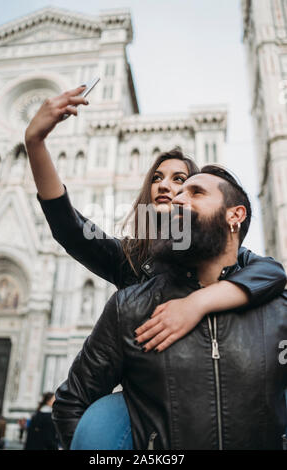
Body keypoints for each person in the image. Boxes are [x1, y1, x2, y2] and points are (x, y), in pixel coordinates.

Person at [24, 86, 286, 356]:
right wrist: (35, 142)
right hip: (149, 388)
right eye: (157, 178)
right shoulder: (129, 258)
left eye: (179, 180)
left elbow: (272, 273)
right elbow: (69, 228)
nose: (164, 186)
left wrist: (197, 303)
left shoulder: (216, 255)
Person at [52, 165, 287, 450]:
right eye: (177, 190)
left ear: (234, 215)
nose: (176, 197)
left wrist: (200, 302)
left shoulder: (277, 310)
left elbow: (273, 270)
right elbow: (71, 403)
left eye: (195, 192)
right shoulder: (131, 307)